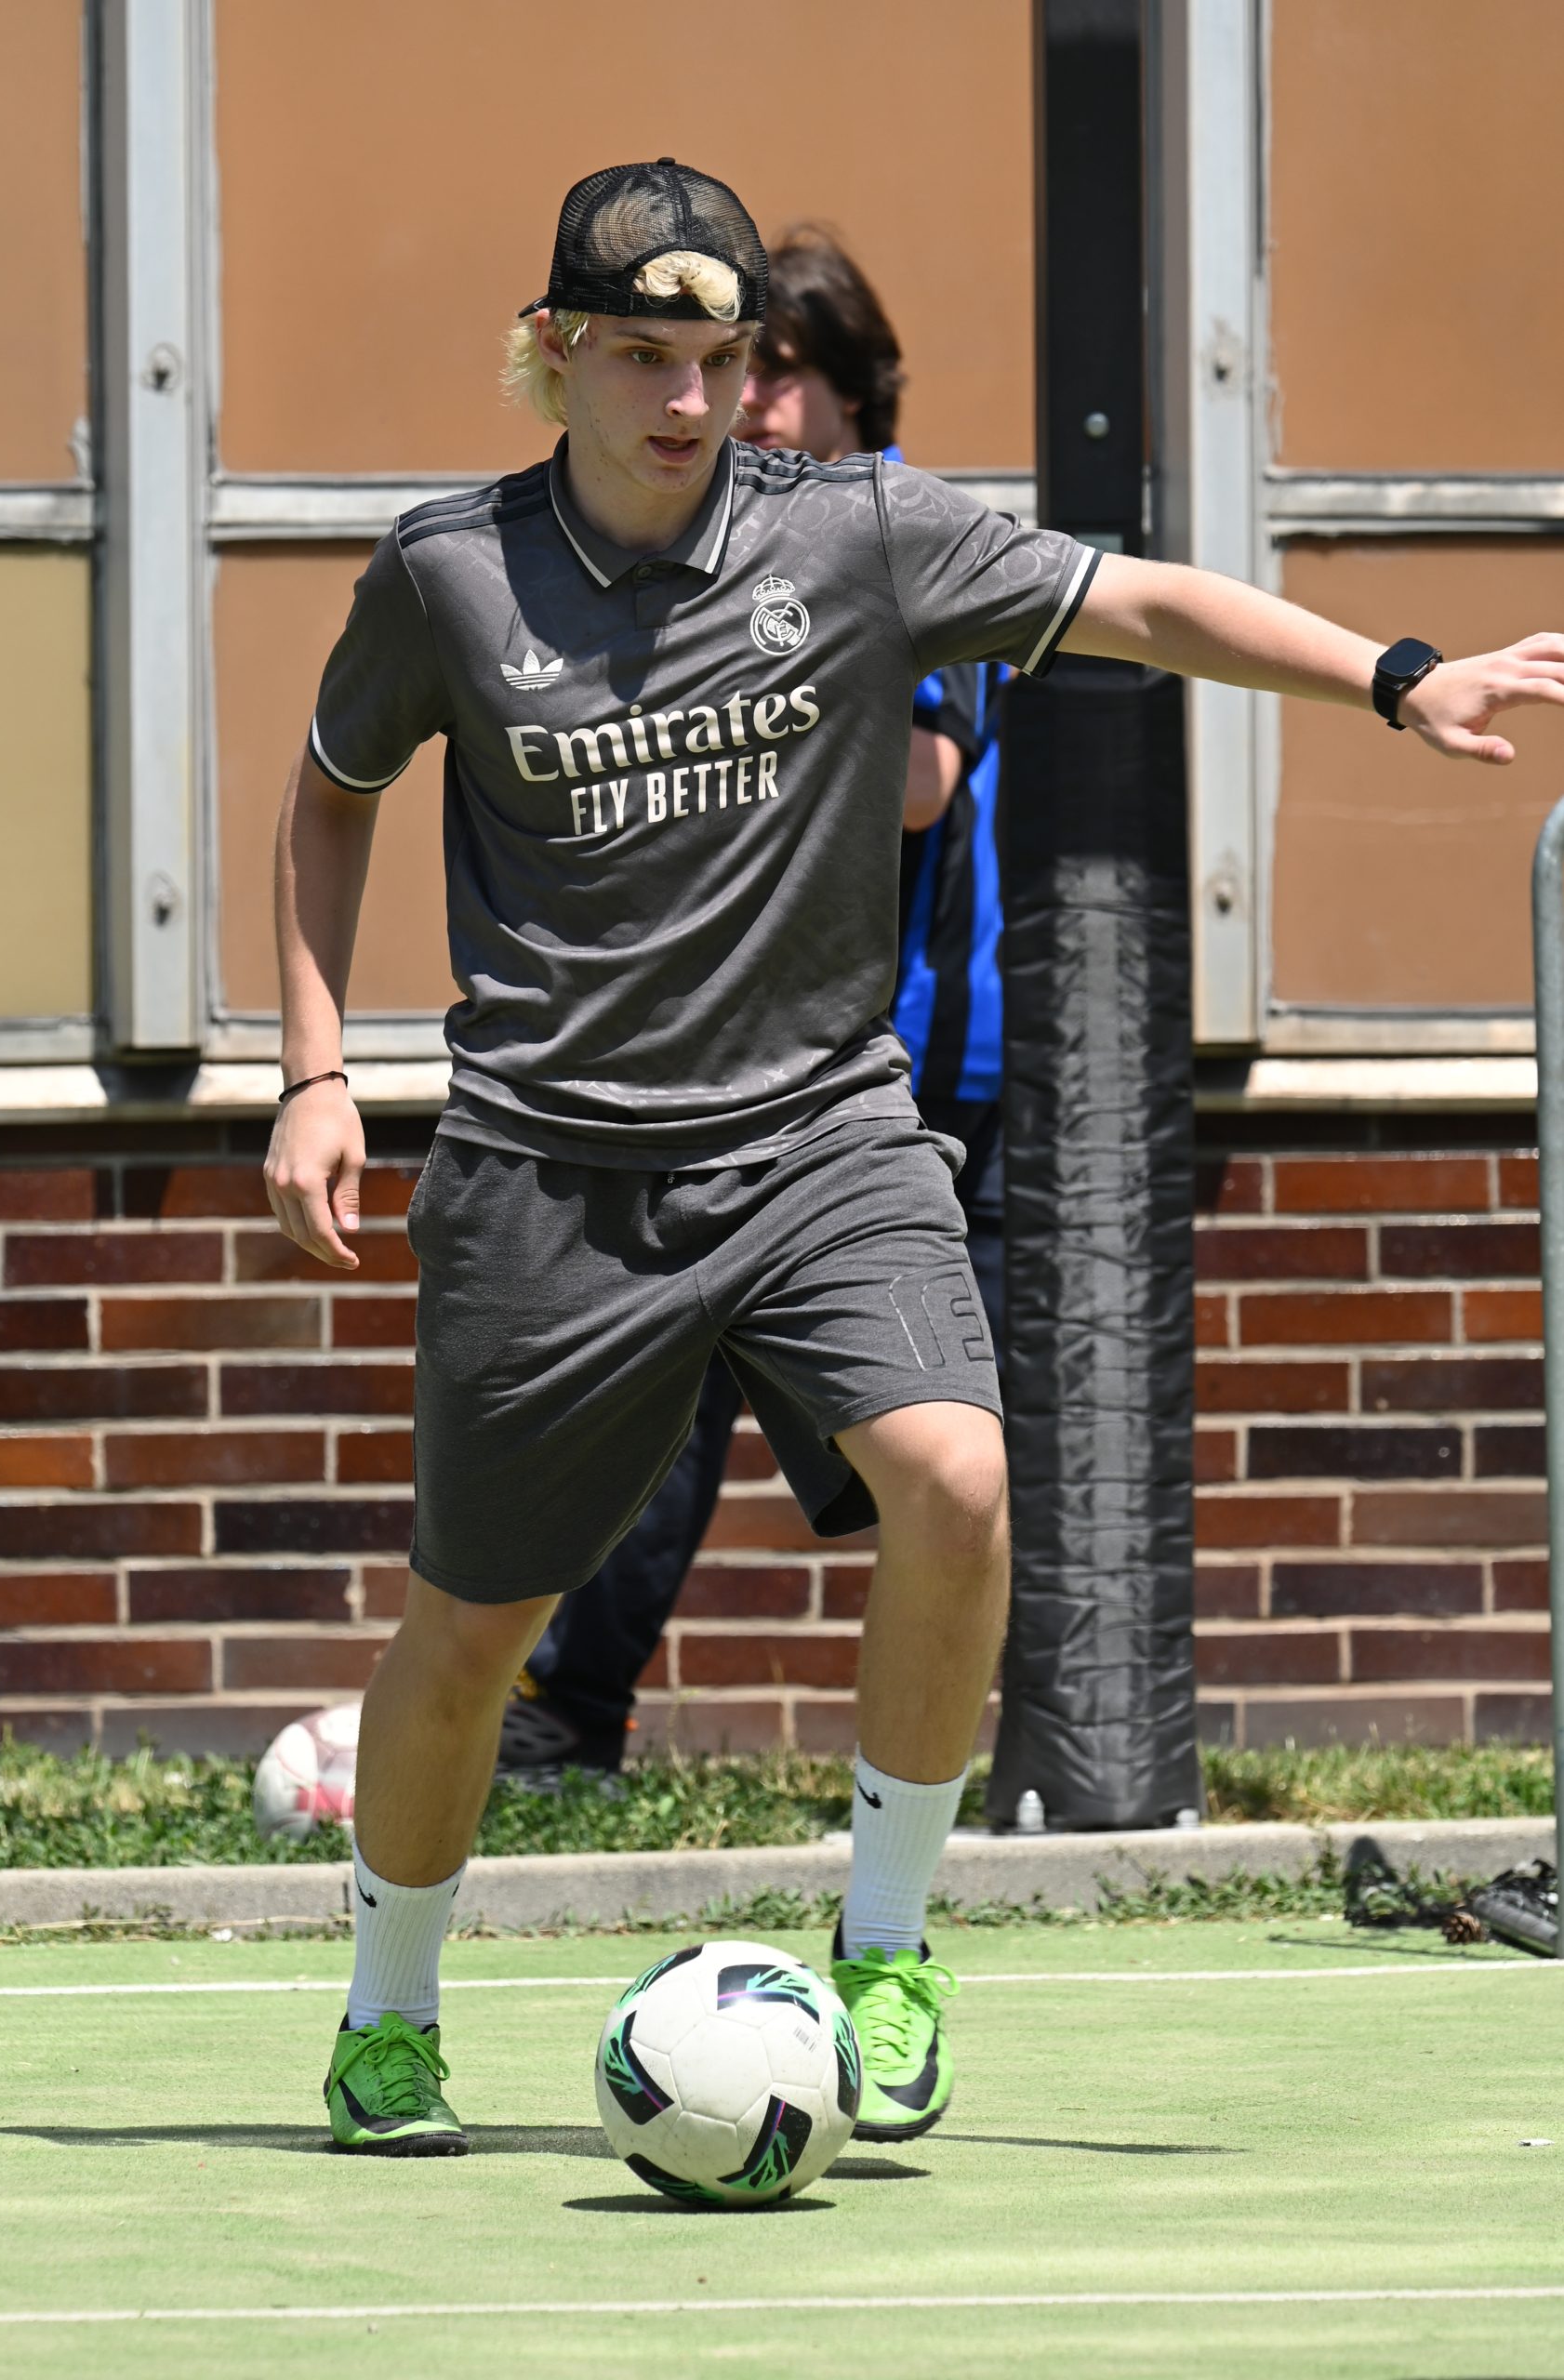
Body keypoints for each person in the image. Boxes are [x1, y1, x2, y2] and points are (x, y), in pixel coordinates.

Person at [266, 157, 1564, 2159]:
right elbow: (332, 790)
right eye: (643, 357)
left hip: (820, 1136)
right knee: (474, 1630)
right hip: (551, 1168)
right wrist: (314, 1069)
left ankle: (882, 1952)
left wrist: (1395, 676)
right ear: (554, 354)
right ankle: (388, 2013)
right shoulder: (449, 576)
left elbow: (1134, 601)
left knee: (955, 1476)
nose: (688, 400)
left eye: (719, 362)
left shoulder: (855, 531)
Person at [498, 225, 1006, 1781]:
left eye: (770, 372)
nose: (738, 403)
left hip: (902, 1066)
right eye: (720, 370)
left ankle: (949, 1758)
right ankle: (571, 1711)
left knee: (944, 1445)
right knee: (669, 1395)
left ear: (853, 389)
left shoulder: (891, 529)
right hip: (730, 1064)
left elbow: (920, 785)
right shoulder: (708, 535)